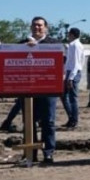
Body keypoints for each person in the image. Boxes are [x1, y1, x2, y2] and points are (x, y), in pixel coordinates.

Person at [23, 17, 60, 163]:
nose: (37, 28)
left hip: (48, 88)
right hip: (27, 89)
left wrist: (37, 48)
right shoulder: (22, 43)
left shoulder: (53, 43)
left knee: (48, 121)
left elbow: (60, 60)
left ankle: (48, 152)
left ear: (46, 27)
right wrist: (26, 48)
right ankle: (30, 153)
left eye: (40, 25)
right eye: (34, 25)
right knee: (29, 122)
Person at [62, 27, 84, 130]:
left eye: (68, 34)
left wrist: (71, 78)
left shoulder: (76, 45)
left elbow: (76, 63)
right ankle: (71, 117)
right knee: (64, 96)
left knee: (72, 98)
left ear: (72, 35)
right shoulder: (71, 45)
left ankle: (74, 120)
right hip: (70, 72)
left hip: (73, 73)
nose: (67, 36)